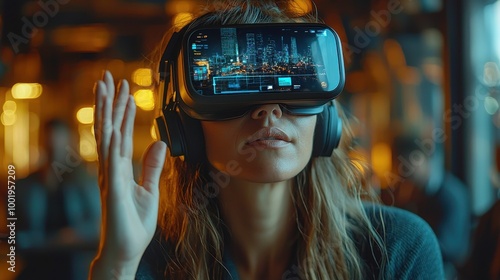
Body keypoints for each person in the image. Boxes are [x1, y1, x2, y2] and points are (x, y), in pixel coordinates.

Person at [89, 1, 444, 279]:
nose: (268, 111)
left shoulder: (396, 248)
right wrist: (118, 268)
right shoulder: (148, 260)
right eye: (235, 94)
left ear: (324, 121)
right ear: (186, 128)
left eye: (294, 95)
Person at [17, 118, 101, 280]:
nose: (54, 147)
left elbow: (97, 225)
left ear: (70, 142)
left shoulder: (84, 181)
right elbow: (19, 227)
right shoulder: (29, 183)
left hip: (74, 263)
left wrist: (72, 235)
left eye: (59, 141)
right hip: (37, 261)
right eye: (49, 141)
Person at [380, 135, 471, 279]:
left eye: (407, 164)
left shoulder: (451, 195)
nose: (404, 171)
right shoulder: (416, 192)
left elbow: (452, 247)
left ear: (421, 159)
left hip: (446, 270)